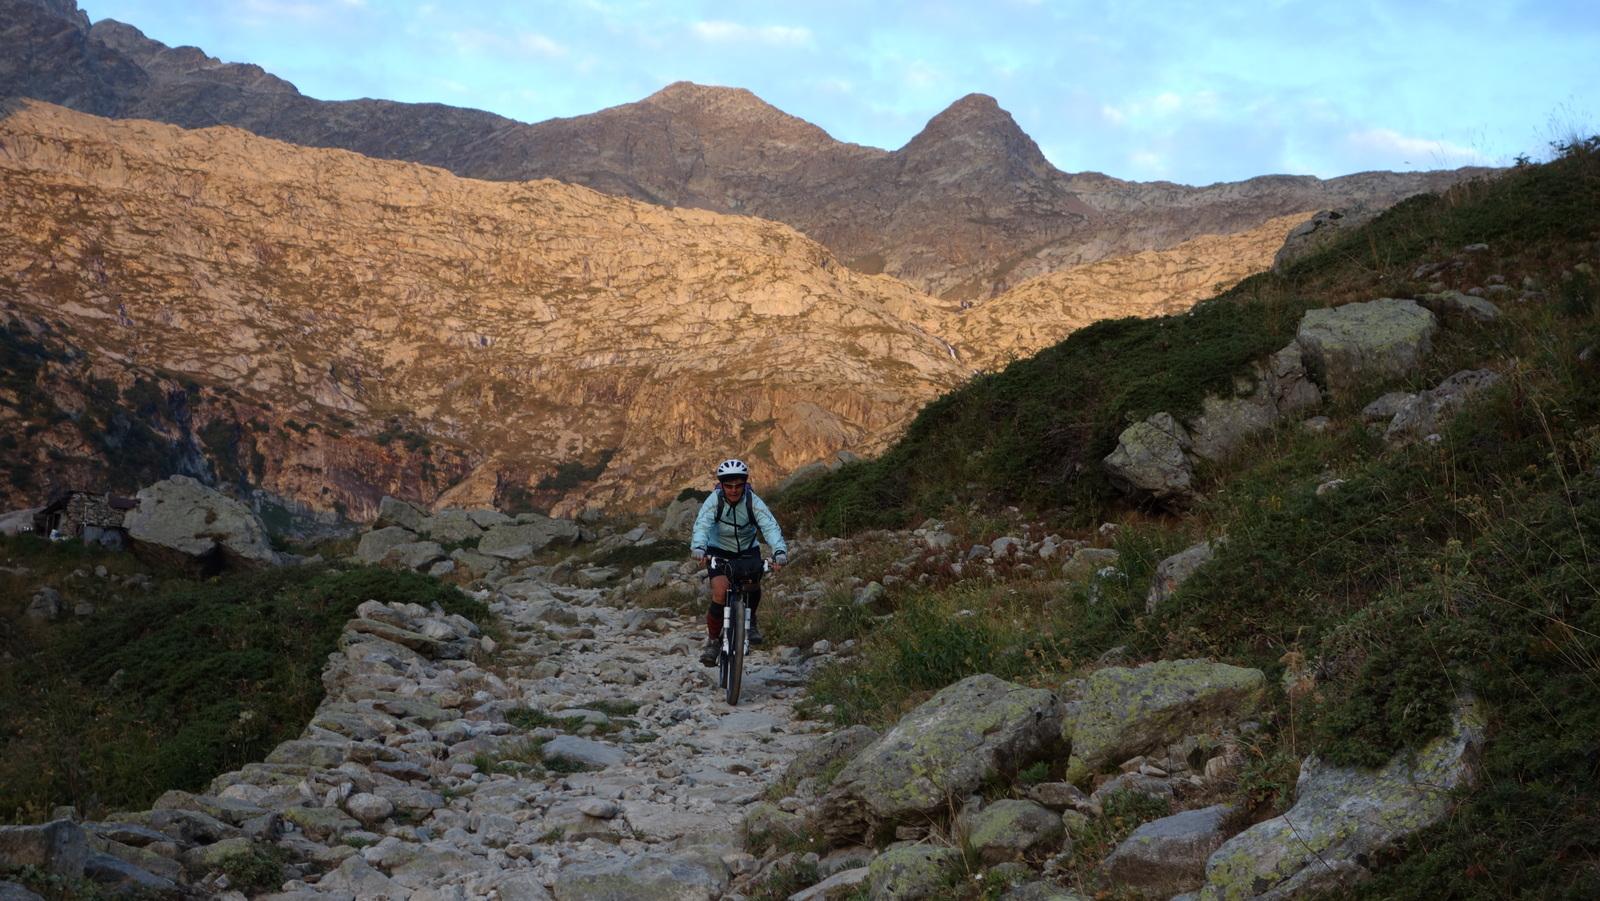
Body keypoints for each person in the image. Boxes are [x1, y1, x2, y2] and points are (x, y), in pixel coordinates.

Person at [689, 458, 788, 666]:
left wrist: (779, 551)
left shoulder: (753, 502)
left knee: (753, 584)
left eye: (738, 485)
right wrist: (699, 548)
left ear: (745, 484)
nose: (733, 490)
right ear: (721, 485)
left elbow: (769, 527)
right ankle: (713, 641)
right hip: (718, 550)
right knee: (720, 591)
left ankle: (751, 621)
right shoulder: (714, 501)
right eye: (728, 486)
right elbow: (702, 525)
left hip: (747, 550)